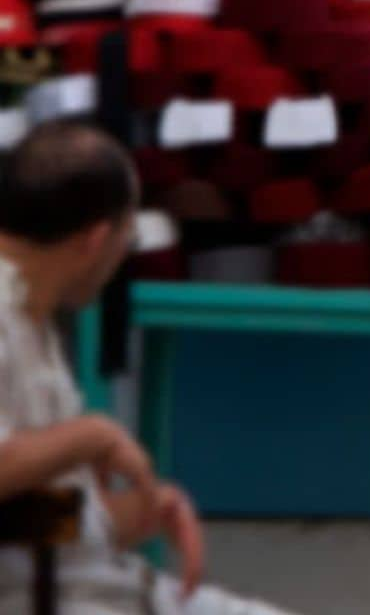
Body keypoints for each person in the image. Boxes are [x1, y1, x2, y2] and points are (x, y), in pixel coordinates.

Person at [0, 120, 299, 614]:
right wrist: (93, 435)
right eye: (128, 237)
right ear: (97, 239)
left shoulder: (33, 319)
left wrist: (130, 516)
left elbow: (13, 527)